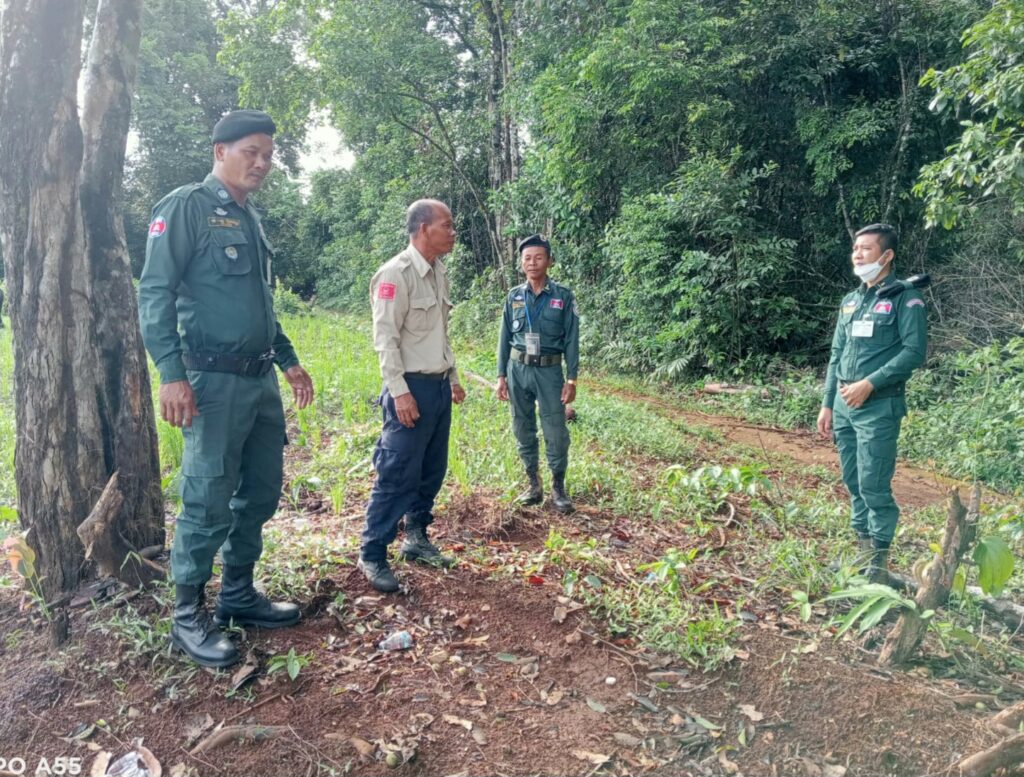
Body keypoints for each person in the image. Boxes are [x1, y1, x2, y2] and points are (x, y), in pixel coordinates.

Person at [139, 110, 315, 668]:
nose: (262, 163)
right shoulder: (186, 207)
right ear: (220, 151)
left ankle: (238, 593)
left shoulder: (250, 218)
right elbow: (154, 293)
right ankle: (187, 615)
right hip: (210, 382)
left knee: (260, 491)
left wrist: (288, 361)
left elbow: (260, 304)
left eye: (268, 155)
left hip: (259, 381)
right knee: (207, 497)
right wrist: (171, 373)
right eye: (250, 152)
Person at [358, 199, 466, 593]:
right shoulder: (395, 273)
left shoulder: (438, 272)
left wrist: (452, 376)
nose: (453, 232)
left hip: (437, 387)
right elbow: (385, 340)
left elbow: (440, 332)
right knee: (398, 472)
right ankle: (372, 552)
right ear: (423, 229)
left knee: (431, 469)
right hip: (410, 389)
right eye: (446, 225)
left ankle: (416, 538)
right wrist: (400, 393)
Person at [817, 223, 927, 584]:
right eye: (855, 249)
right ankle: (863, 555)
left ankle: (878, 568)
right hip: (844, 406)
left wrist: (870, 383)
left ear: (887, 255)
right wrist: (828, 403)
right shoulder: (851, 300)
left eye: (866, 249)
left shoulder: (906, 298)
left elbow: (914, 352)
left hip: (879, 406)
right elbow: (837, 354)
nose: (858, 255)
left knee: (873, 484)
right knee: (853, 480)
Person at [496, 235, 580, 513]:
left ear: (549, 261)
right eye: (527, 258)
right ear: (521, 263)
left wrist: (571, 379)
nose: (532, 263)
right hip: (517, 369)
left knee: (555, 431)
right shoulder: (514, 296)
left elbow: (572, 339)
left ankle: (558, 487)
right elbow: (504, 337)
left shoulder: (562, 297)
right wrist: (501, 376)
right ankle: (533, 484)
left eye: (538, 257)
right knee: (522, 427)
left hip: (549, 371)